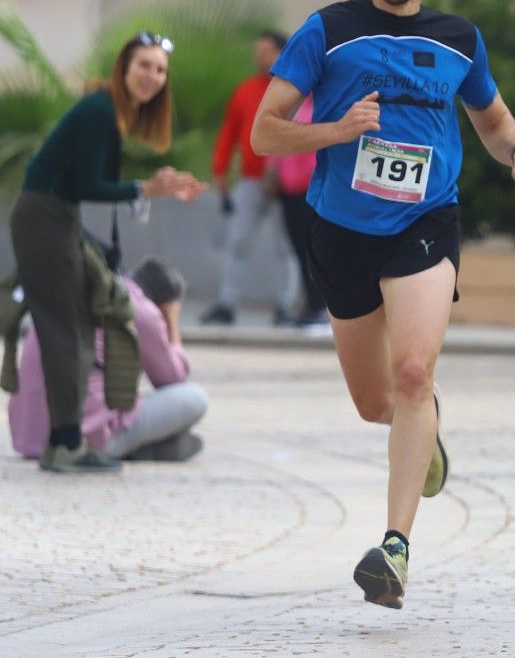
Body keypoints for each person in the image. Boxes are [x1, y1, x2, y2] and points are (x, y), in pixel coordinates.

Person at [251, 0, 515, 610]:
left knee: (414, 370)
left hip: (426, 223)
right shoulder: (328, 31)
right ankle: (425, 427)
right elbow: (266, 132)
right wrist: (335, 131)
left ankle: (395, 547)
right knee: (373, 400)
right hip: (341, 230)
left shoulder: (459, 38)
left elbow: (492, 117)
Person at [8, 32, 205, 474]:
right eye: (144, 66)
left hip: (54, 217)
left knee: (73, 327)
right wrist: (147, 188)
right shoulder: (100, 109)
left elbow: (92, 178)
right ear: (124, 67)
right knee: (66, 330)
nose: (152, 77)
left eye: (159, 70)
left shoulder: (109, 113)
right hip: (46, 217)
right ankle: (66, 445)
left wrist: (155, 184)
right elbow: (86, 185)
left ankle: (67, 440)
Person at [10, 256, 208, 462]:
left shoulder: (83, 291)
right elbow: (172, 377)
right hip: (83, 439)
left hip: (29, 436)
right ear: (164, 305)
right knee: (196, 397)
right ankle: (128, 448)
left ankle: (141, 448)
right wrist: (172, 321)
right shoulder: (140, 311)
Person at [203, 31, 300, 327]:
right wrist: (220, 170)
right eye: (258, 50)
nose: (260, 56)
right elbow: (229, 132)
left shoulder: (297, 88)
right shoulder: (245, 90)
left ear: (282, 53)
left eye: (267, 50)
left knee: (286, 247)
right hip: (251, 179)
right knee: (238, 240)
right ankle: (226, 303)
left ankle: (286, 305)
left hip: (289, 182)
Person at [268, 96, 329, 329]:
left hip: (309, 190)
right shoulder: (298, 106)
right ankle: (312, 304)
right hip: (289, 191)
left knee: (313, 250)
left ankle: (321, 306)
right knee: (300, 250)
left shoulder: (323, 105)